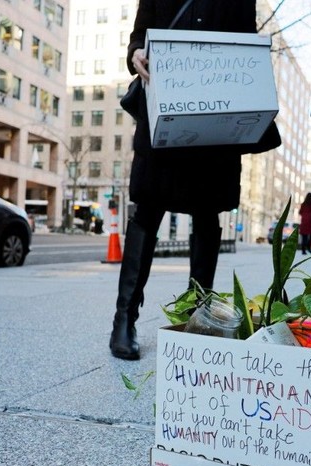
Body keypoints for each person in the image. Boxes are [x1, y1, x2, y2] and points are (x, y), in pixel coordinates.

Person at [110, 0, 259, 361]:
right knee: (147, 209)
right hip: (164, 105)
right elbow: (138, 37)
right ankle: (124, 318)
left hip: (215, 113)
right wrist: (137, 55)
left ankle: (198, 318)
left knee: (207, 215)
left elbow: (246, 43)